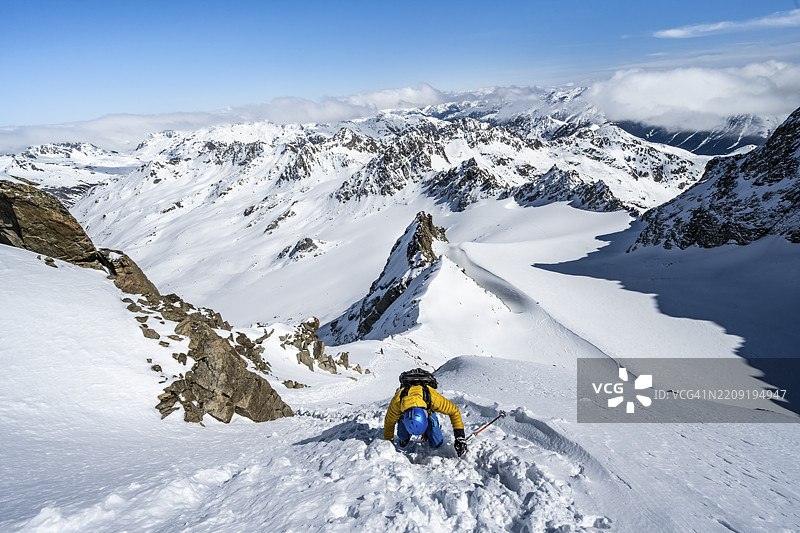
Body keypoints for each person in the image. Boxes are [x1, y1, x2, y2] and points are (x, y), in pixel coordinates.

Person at [383, 372, 468, 457]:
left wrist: (459, 437)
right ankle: (404, 434)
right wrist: (388, 443)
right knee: (402, 437)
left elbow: (454, 411)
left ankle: (430, 426)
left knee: (436, 443)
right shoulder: (397, 402)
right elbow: (389, 422)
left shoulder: (434, 399)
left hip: (428, 410)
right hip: (405, 412)